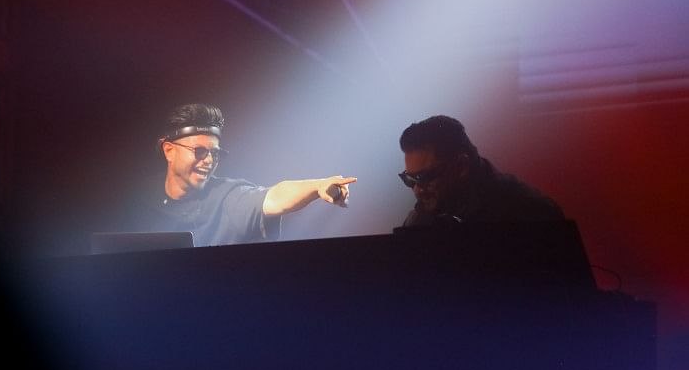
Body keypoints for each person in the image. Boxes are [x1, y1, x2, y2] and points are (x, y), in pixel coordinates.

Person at [137, 103, 356, 246]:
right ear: (169, 151)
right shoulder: (138, 198)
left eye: (215, 153)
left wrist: (318, 186)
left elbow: (275, 197)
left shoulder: (228, 197)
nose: (210, 160)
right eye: (200, 151)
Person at [398, 115, 564, 227]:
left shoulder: (529, 212)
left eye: (424, 177)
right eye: (410, 180)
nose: (417, 190)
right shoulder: (421, 218)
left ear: (461, 166)